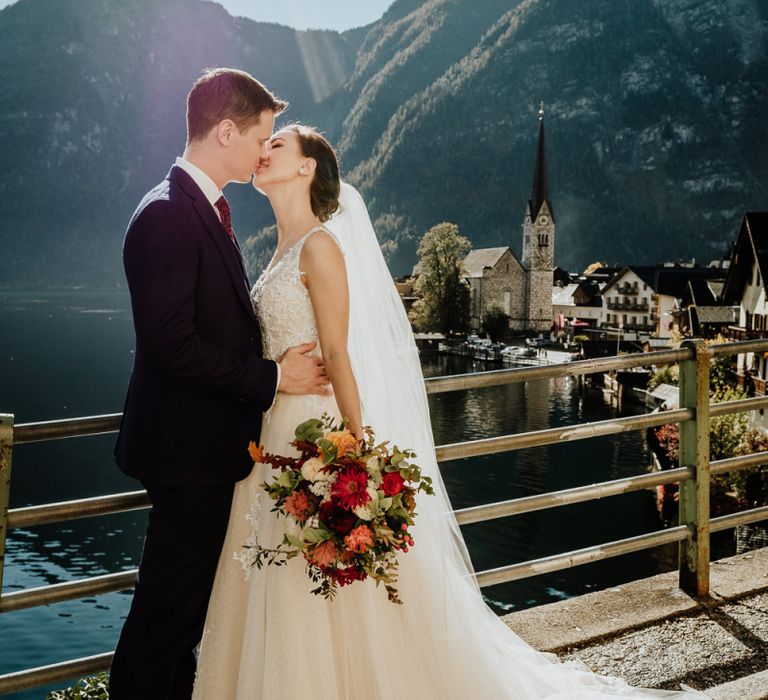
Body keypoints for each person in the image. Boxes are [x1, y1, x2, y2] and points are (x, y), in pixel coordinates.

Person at [192, 125, 708, 698]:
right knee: (276, 575)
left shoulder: (319, 245)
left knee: (318, 582)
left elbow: (338, 353)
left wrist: (357, 454)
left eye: (278, 146)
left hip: (313, 436)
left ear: (307, 168)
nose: (263, 152)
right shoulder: (280, 250)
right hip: (272, 437)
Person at [110, 70, 330, 700]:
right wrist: (273, 376)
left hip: (206, 454)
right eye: (261, 137)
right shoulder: (169, 215)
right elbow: (173, 345)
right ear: (226, 130)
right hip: (187, 457)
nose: (266, 151)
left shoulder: (201, 208)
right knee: (163, 625)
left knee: (182, 623)